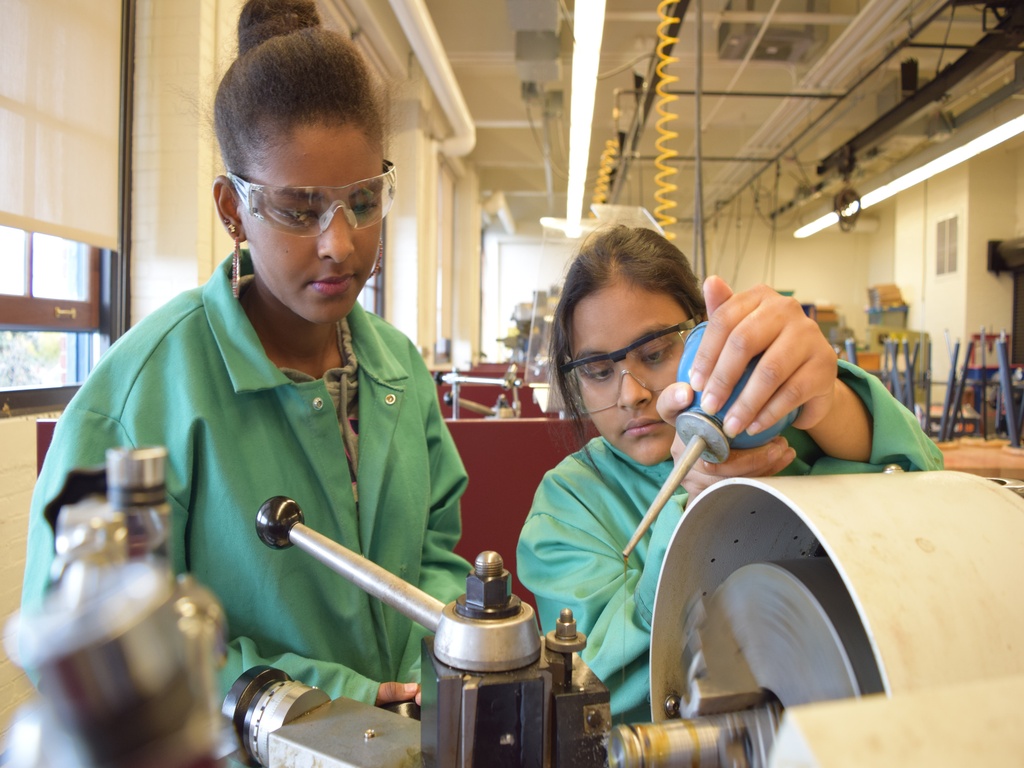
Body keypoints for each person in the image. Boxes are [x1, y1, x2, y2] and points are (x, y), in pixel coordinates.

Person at [22, 0, 470, 709]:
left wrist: (447, 658)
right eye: (299, 209)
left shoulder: (398, 370)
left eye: (363, 199)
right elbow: (84, 644)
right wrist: (319, 701)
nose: (340, 242)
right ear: (232, 209)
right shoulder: (138, 400)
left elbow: (436, 552)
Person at [516, 225, 943, 723]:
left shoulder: (779, 440)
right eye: (597, 370)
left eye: (654, 353)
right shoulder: (569, 505)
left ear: (704, 335)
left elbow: (927, 501)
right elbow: (602, 692)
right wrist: (691, 505)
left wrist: (829, 407)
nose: (630, 393)